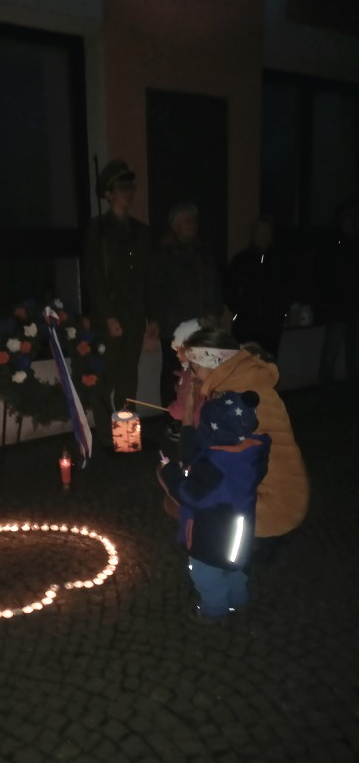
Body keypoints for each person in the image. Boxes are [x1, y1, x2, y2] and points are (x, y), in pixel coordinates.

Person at [182, 327, 309, 562]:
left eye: (194, 366)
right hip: (285, 496)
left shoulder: (236, 403)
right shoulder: (247, 383)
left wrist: (188, 417)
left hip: (276, 507)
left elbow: (202, 458)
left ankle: (235, 560)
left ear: (213, 363)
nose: (192, 374)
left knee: (191, 499)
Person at [158, 390, 271, 624]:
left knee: (206, 574)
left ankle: (214, 611)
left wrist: (169, 472)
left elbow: (189, 495)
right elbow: (199, 455)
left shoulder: (213, 467)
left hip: (211, 536)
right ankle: (239, 601)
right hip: (240, 532)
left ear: (213, 430)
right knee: (235, 569)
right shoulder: (251, 451)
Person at [83, 159, 159, 449]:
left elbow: (148, 278)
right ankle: (106, 439)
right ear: (109, 193)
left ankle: (125, 441)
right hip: (110, 318)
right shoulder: (97, 230)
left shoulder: (141, 232)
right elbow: (95, 277)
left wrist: (153, 316)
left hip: (134, 316)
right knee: (105, 381)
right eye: (122, 188)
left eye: (130, 187)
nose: (128, 193)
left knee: (128, 382)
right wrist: (108, 316)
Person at [155, 202, 224, 425]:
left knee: (200, 374)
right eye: (187, 221)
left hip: (203, 327)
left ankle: (198, 418)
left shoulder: (202, 252)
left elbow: (214, 285)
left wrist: (215, 313)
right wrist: (165, 320)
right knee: (175, 374)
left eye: (193, 221)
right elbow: (158, 290)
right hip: (176, 328)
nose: (192, 225)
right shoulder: (166, 253)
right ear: (175, 226)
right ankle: (173, 420)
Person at [222, 214, 291, 359]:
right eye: (261, 232)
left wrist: (282, 313)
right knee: (246, 362)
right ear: (253, 234)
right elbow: (228, 289)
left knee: (269, 362)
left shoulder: (279, 261)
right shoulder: (241, 260)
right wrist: (240, 310)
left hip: (272, 325)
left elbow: (286, 289)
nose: (264, 237)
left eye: (267, 233)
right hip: (246, 325)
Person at [313, 196, 359, 389]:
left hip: (353, 304)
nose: (352, 220)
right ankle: (327, 381)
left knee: (353, 346)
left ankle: (352, 380)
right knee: (333, 345)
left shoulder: (354, 242)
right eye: (348, 216)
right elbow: (325, 274)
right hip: (337, 304)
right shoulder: (333, 242)